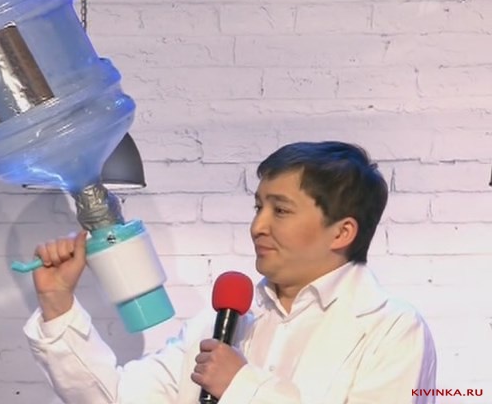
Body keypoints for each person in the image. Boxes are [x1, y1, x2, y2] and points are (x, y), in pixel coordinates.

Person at [23, 141, 437, 403]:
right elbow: (117, 398)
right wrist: (57, 305)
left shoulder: (392, 329)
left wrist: (241, 386)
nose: (258, 226)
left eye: (280, 210)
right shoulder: (225, 320)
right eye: (258, 207)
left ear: (342, 232)